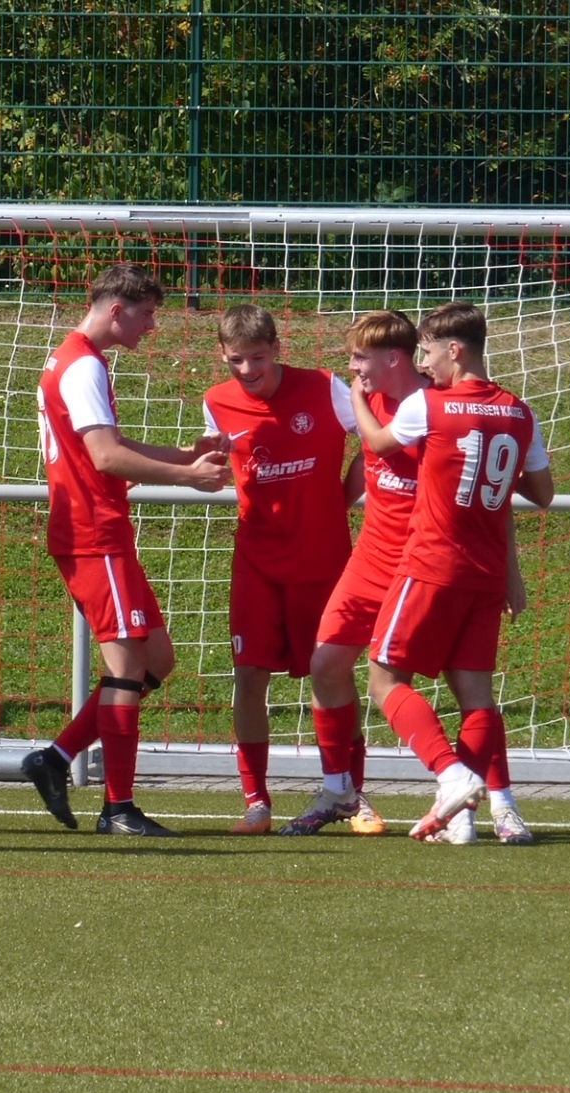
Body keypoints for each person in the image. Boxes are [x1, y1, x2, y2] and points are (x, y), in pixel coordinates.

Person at [20, 263, 231, 837]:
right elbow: (107, 457)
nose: (151, 326)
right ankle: (118, 808)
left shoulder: (75, 358)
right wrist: (187, 477)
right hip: (93, 534)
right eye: (147, 314)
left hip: (100, 532)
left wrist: (184, 457)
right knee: (128, 669)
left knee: (157, 661)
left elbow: (109, 444)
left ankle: (55, 758)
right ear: (117, 310)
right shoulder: (83, 364)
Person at [354, 301, 551, 845]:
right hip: (485, 575)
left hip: (431, 565)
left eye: (428, 352)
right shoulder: (520, 414)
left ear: (455, 351)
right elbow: (542, 493)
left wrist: (356, 398)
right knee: (476, 696)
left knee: (384, 679)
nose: (424, 363)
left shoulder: (429, 404)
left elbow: (378, 443)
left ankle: (452, 774)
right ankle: (464, 818)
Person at [197, 304, 365, 836]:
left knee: (332, 675)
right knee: (249, 677)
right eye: (236, 360)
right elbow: (215, 469)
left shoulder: (326, 387)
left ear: (277, 348)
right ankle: (256, 803)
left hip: (323, 560)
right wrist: (199, 468)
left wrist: (339, 502)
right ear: (223, 355)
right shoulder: (216, 402)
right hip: (257, 562)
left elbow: (376, 443)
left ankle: (352, 794)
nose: (247, 370)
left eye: (258, 358)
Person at [287, 310, 427, 838]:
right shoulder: (368, 400)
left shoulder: (434, 404)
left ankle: (470, 791)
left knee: (402, 684)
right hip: (370, 558)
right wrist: (336, 506)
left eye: (359, 357)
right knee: (326, 663)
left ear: (393, 359)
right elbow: (368, 457)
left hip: (419, 564)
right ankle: (338, 790)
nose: (352, 367)